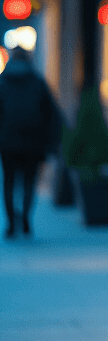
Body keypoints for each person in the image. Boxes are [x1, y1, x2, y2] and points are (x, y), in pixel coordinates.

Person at [0, 48, 62, 237]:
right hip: (33, 143)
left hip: (8, 142)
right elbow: (52, 114)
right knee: (29, 182)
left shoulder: (2, 82)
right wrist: (52, 142)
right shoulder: (37, 81)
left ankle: (12, 223)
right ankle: (26, 218)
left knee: (9, 182)